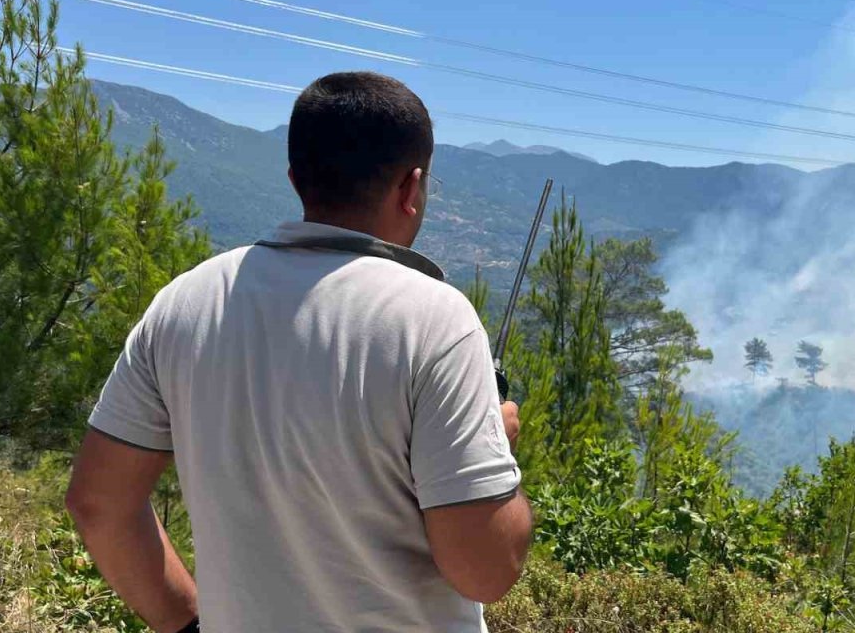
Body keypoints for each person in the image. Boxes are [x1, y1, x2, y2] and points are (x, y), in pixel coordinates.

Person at [64, 71, 533, 632]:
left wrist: (189, 624)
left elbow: (99, 503)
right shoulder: (435, 318)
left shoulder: (183, 302)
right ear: (411, 189)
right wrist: (495, 455)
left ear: (295, 177)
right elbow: (485, 572)